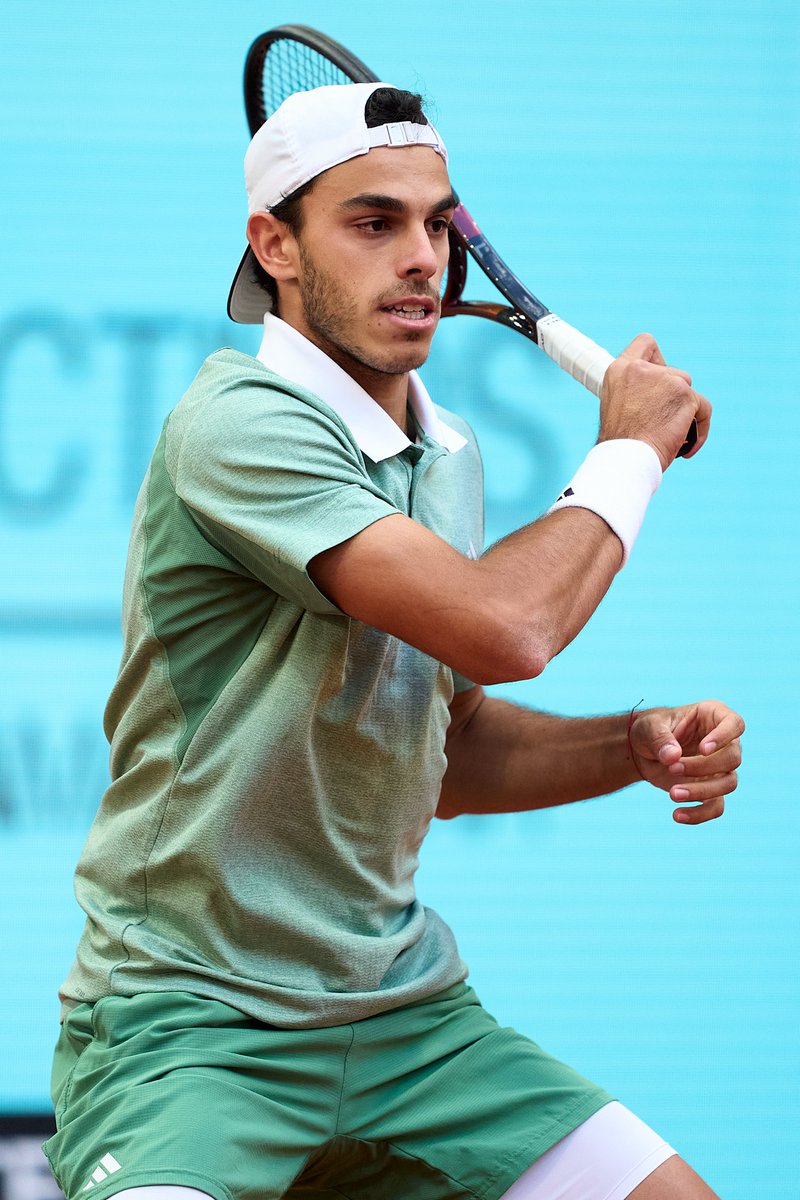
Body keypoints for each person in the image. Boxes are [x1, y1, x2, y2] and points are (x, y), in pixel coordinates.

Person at [45, 82, 744, 1200]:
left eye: (435, 223)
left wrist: (630, 744)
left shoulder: (446, 453)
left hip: (407, 1020)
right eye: (372, 223)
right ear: (272, 245)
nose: (420, 256)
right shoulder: (237, 425)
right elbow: (509, 627)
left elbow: (445, 752)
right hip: (191, 1024)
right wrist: (626, 454)